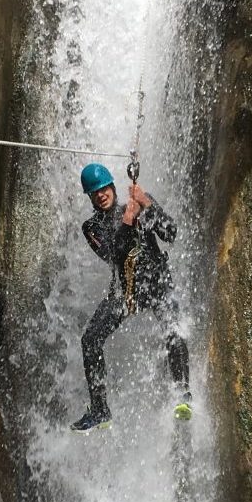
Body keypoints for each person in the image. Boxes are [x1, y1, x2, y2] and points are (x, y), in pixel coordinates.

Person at [72, 162, 191, 433]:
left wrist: (147, 204)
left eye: (104, 189)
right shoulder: (92, 227)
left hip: (157, 283)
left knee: (174, 326)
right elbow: (114, 256)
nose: (101, 195)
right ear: (90, 197)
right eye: (95, 192)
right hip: (127, 291)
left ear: (112, 186)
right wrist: (127, 221)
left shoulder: (139, 203)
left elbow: (170, 233)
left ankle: (182, 394)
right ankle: (100, 410)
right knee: (90, 339)